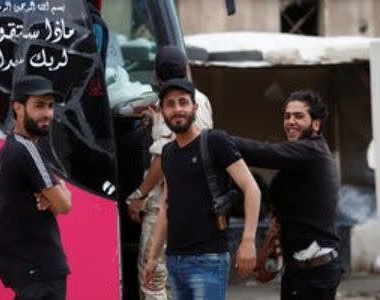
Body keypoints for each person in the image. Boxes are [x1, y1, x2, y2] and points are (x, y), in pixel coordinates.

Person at [141, 78, 261, 300]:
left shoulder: (215, 141)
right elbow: (166, 207)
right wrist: (152, 258)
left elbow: (251, 188)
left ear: (195, 108)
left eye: (183, 102)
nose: (177, 109)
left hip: (209, 259)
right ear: (162, 112)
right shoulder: (167, 153)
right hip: (175, 260)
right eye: (170, 104)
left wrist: (248, 240)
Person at [232, 90, 343, 299]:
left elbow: (264, 153)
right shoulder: (297, 159)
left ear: (316, 125)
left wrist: (218, 140)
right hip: (295, 271)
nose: (291, 121)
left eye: (298, 116)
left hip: (316, 273)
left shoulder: (313, 151)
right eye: (287, 116)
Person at [126, 46, 213, 300]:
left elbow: (165, 159)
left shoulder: (171, 104)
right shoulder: (200, 100)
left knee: (152, 277)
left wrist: (139, 194)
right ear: (185, 69)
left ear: (157, 77)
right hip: (194, 204)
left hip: (165, 202)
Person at [0, 75, 72, 300]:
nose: (47, 113)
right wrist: (61, 190)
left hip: (28, 273)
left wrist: (53, 195)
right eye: (38, 105)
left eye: (50, 106)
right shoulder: (26, 149)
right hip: (40, 273)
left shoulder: (11, 148)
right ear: (18, 108)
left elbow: (55, 204)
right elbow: (64, 205)